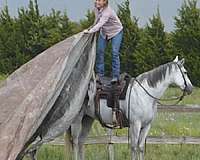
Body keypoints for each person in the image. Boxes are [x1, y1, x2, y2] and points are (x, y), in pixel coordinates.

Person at [84, 0, 123, 83]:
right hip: (104, 33)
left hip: (116, 32)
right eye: (96, 0)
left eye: (99, 0)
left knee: (114, 52)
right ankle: (100, 75)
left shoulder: (107, 12)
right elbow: (97, 20)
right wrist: (90, 28)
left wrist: (90, 31)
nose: (97, 2)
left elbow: (100, 24)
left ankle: (115, 76)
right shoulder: (96, 8)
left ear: (105, 2)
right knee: (100, 51)